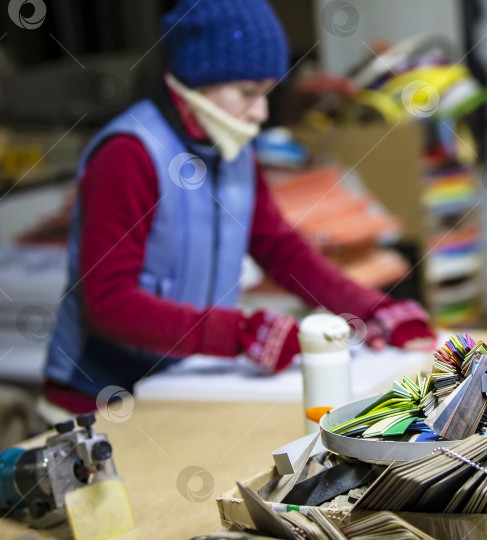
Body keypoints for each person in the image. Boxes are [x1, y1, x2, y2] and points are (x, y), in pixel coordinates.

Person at [42, 0, 436, 414]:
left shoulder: (234, 151)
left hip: (177, 384)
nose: (261, 112)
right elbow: (108, 304)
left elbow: (280, 250)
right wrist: (240, 333)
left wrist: (373, 309)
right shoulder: (128, 154)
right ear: (195, 80)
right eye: (248, 93)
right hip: (99, 400)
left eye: (267, 92)